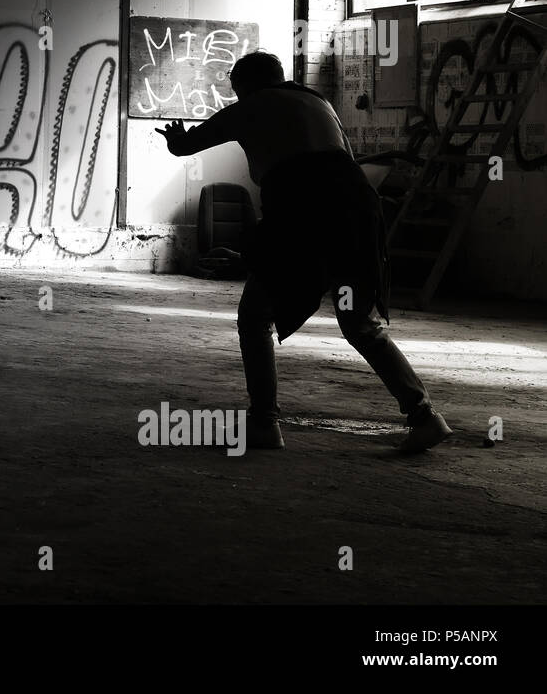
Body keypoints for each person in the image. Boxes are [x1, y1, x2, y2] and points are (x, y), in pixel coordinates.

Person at [156, 51, 452, 453]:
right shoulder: (319, 101)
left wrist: (175, 138)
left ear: (244, 86)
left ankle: (264, 423)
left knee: (255, 317)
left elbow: (186, 146)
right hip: (358, 207)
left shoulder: (251, 106)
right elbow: (344, 158)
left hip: (302, 210)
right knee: (360, 324)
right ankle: (424, 416)